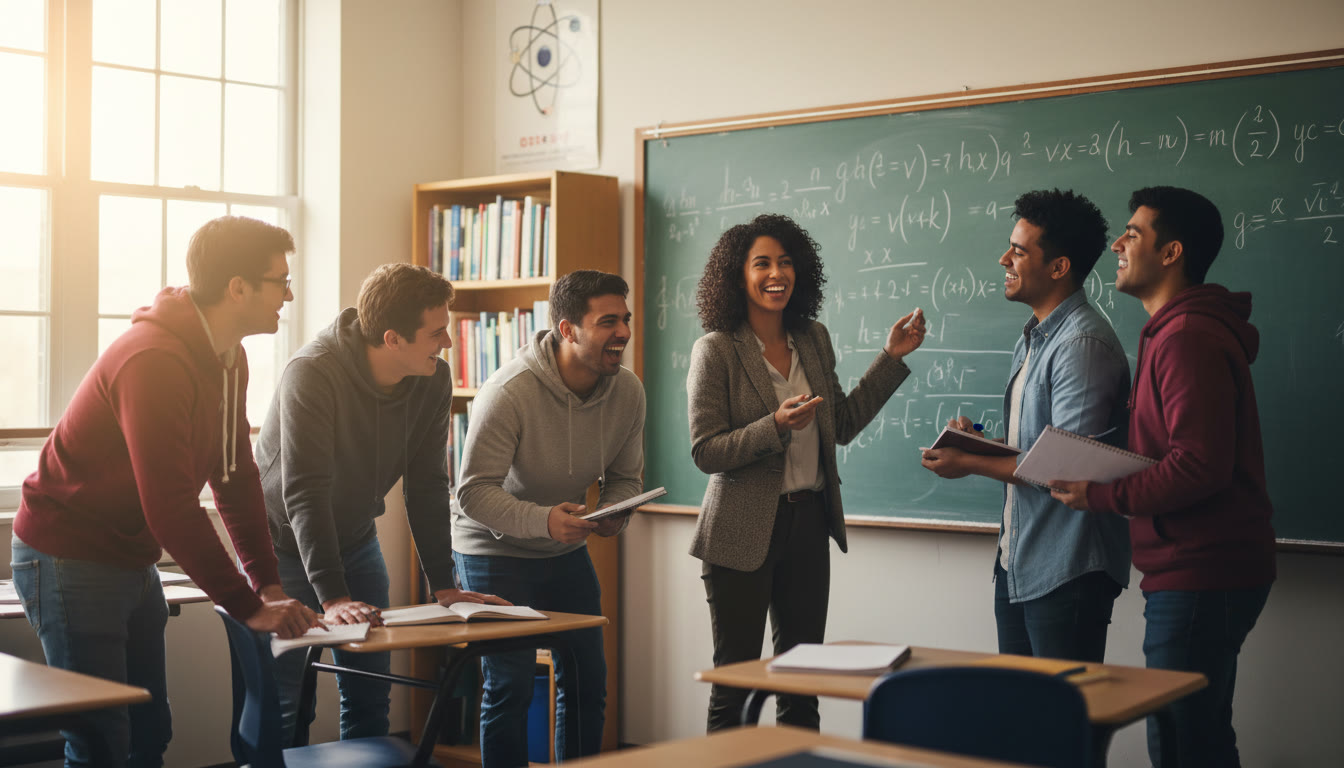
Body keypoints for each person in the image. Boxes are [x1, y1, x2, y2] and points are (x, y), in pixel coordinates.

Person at [10, 216, 321, 768]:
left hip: (129, 555)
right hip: (67, 555)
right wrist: (247, 607)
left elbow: (234, 475)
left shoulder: (229, 357)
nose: (289, 294)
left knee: (150, 729)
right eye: (281, 281)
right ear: (238, 287)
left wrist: (267, 585)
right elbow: (171, 506)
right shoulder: (153, 359)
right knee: (101, 739)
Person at [1053, 186, 1275, 767]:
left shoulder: (1186, 338)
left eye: (1133, 233)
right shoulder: (1174, 332)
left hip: (1203, 569)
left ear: (1171, 253)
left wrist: (1101, 494)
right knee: (1195, 738)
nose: (1117, 245)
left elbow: (1198, 465)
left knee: (1182, 746)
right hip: (1198, 567)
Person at [688, 213, 926, 732]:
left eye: (786, 262)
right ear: (737, 275)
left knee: (803, 683)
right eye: (762, 263)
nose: (777, 273)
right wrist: (772, 426)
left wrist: (890, 358)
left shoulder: (812, 338)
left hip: (807, 524)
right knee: (737, 685)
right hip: (740, 533)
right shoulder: (716, 350)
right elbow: (706, 451)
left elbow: (839, 424)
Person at [255, 263, 506, 745]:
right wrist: (333, 597)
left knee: (370, 693)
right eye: (437, 333)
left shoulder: (432, 378)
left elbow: (428, 482)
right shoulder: (312, 373)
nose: (447, 344)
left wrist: (444, 584)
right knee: (286, 703)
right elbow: (304, 490)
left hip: (355, 541)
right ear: (392, 338)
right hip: (281, 546)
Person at [919, 189, 1131, 664]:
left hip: (1066, 567)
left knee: (1064, 724)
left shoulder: (1082, 345)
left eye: (1018, 250)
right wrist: (980, 445)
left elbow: (1065, 466)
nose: (1003, 259)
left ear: (1058, 267)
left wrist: (968, 462)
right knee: (1022, 717)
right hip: (1019, 559)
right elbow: (1036, 447)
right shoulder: (1036, 337)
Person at [452, 270, 646, 767]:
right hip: (493, 549)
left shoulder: (627, 392)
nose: (622, 332)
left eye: (624, 319)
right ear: (567, 330)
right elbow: (473, 492)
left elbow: (626, 477)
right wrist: (542, 520)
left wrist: (613, 515)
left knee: (587, 682)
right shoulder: (509, 391)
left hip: (564, 547)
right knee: (510, 686)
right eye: (607, 322)